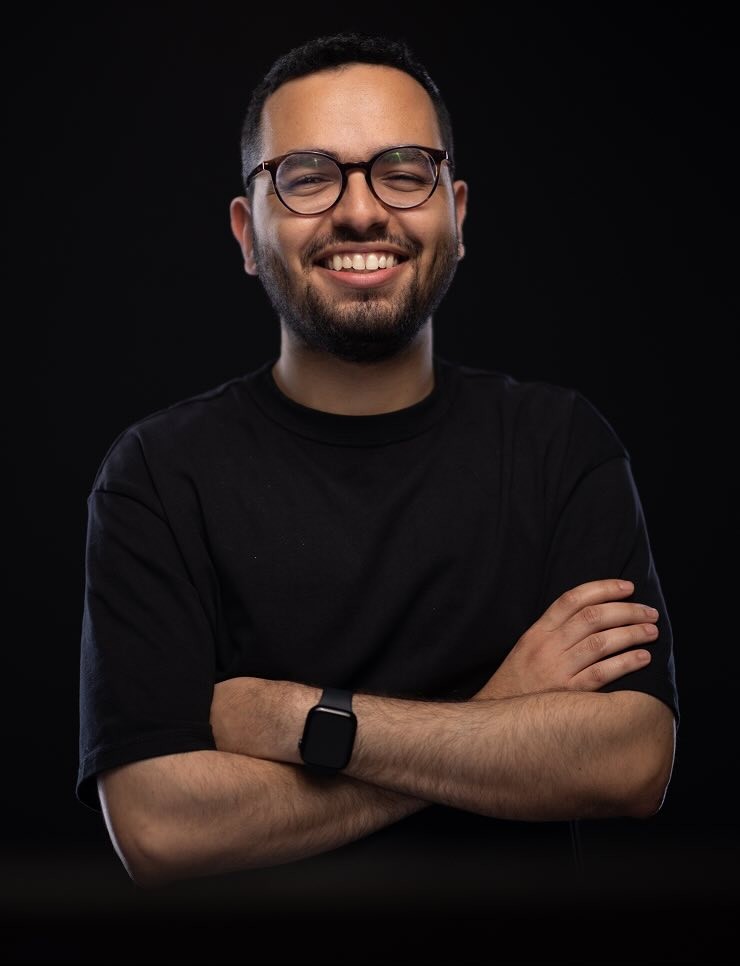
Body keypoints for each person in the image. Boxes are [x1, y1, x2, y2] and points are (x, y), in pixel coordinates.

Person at [77, 31, 678, 895]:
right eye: (308, 176)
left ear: (457, 217)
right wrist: (499, 715)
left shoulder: (562, 446)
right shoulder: (157, 476)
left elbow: (631, 762)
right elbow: (158, 828)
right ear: (247, 233)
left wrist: (297, 719)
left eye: (403, 171)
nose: (361, 212)